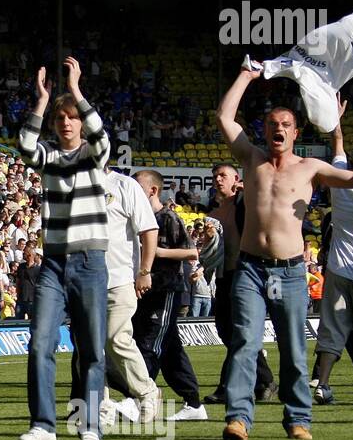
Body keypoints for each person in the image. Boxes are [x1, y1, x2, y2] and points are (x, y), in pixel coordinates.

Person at [214, 63, 353, 440]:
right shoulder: (251, 159)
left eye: (285, 124)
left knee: (294, 349)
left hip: (292, 272)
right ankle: (238, 418)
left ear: (296, 132)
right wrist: (246, 77)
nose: (278, 129)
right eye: (272, 124)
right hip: (250, 269)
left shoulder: (310, 168)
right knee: (245, 344)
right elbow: (224, 116)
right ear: (264, 131)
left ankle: (298, 419)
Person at [16, 57, 109, 440]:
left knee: (91, 348)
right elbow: (24, 145)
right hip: (53, 263)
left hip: (90, 262)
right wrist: (43, 100)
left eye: (71, 118)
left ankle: (90, 424)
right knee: (40, 342)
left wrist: (76, 90)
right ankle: (44, 425)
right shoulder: (49, 159)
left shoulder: (94, 156)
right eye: (61, 119)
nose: (67, 123)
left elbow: (101, 134)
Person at [310, 109, 353, 404]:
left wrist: (335, 117)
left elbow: (336, 142)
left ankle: (322, 385)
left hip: (336, 270)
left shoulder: (340, 184)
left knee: (331, 332)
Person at [132, 171, 209, 422]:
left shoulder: (167, 217)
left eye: (138, 186)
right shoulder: (138, 220)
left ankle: (140, 399)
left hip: (165, 289)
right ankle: (194, 402)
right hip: (146, 291)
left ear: (153, 191)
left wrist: (156, 252)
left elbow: (191, 253)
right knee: (170, 349)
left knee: (149, 343)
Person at [202, 164, 278, 405]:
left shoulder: (245, 203)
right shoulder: (213, 215)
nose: (218, 180)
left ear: (237, 179)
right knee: (228, 331)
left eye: (223, 175)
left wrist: (251, 191)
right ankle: (264, 379)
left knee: (238, 333)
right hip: (225, 277)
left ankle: (229, 387)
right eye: (215, 176)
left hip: (247, 273)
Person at [90, 166, 160, 424]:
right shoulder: (76, 183)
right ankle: (102, 407)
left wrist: (145, 270)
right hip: (84, 280)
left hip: (119, 278)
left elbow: (148, 230)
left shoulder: (125, 185)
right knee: (89, 348)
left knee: (116, 338)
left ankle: (147, 391)